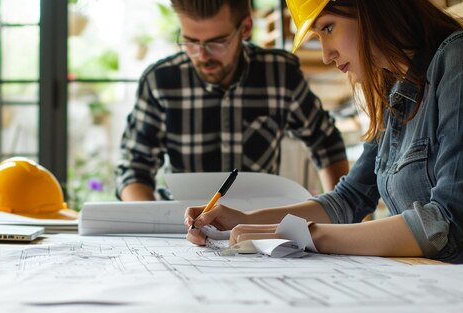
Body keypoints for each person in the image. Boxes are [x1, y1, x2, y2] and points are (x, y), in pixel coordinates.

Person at [186, 0, 463, 263]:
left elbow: (447, 224)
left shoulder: (462, 57)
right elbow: (348, 199)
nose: (326, 54)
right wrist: (245, 219)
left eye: (328, 27)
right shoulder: (395, 93)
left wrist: (301, 235)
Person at [116, 0, 349, 201]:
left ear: (245, 27)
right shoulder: (159, 81)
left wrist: (340, 215)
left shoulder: (279, 74)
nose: (202, 55)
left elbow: (326, 143)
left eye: (217, 42)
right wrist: (150, 222)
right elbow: (135, 168)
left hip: (259, 225)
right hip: (181, 226)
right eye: (190, 41)